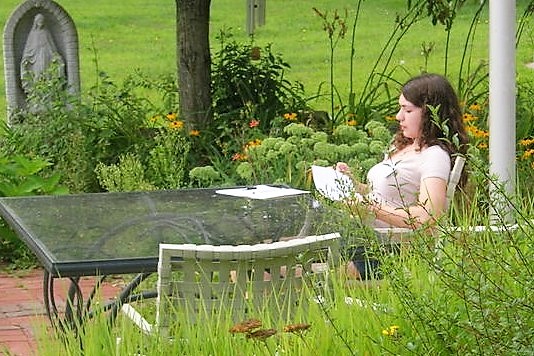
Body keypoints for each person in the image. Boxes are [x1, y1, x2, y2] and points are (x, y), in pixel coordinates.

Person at [336, 73, 469, 278]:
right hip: (362, 239)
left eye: (407, 110)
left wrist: (371, 209)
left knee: (296, 259)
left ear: (430, 113)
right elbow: (385, 195)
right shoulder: (404, 146)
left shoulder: (434, 155)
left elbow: (428, 217)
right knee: (286, 200)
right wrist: (351, 184)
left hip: (387, 251)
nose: (399, 116)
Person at [20, 13, 66, 94]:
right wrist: (26, 57)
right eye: (39, 21)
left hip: (46, 57)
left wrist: (56, 56)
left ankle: (47, 95)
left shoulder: (46, 33)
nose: (41, 22)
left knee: (47, 75)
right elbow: (29, 48)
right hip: (36, 59)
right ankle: (37, 96)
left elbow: (51, 46)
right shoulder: (33, 34)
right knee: (37, 76)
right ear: (36, 22)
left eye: (42, 21)